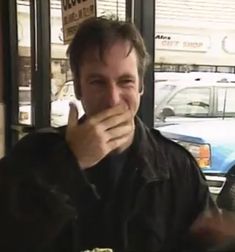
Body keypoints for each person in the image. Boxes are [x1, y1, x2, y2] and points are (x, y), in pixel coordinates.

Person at [0, 16, 233, 252]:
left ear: (141, 87)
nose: (113, 99)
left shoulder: (176, 167)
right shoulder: (34, 153)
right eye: (98, 82)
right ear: (79, 88)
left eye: (126, 82)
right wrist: (71, 162)